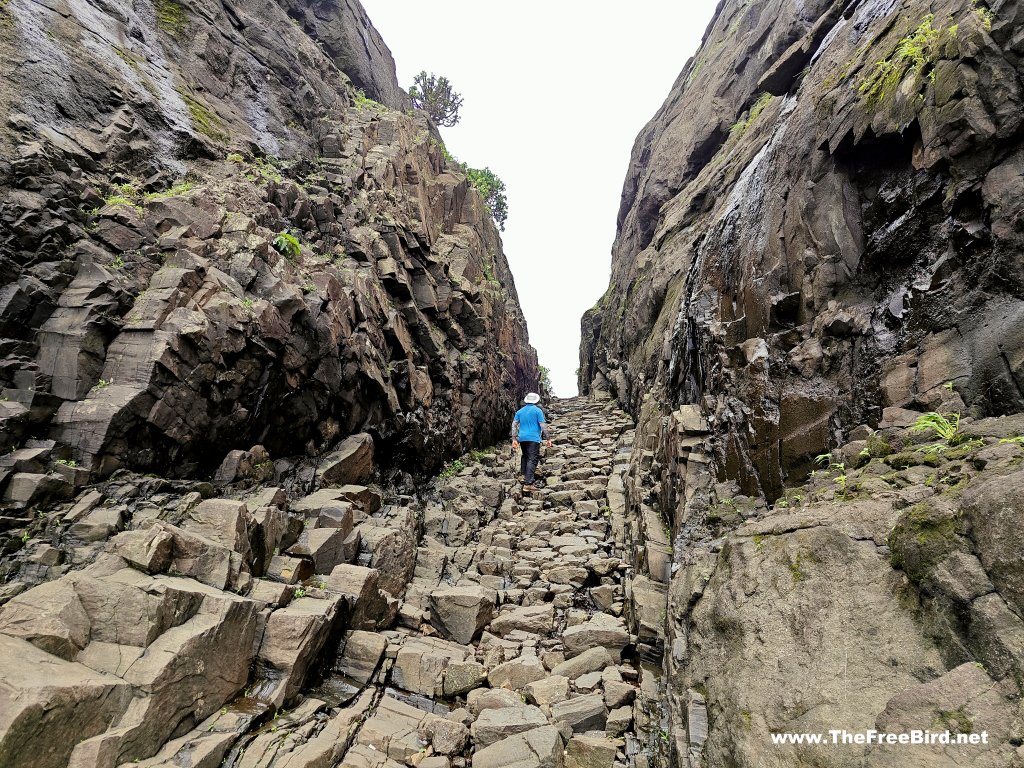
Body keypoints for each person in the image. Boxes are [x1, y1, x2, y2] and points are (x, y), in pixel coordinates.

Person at [511, 392, 552, 491]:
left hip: (522, 438)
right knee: (532, 459)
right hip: (533, 438)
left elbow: (514, 426)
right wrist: (548, 438)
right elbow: (543, 426)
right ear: (535, 401)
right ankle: (528, 483)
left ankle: (524, 475)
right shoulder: (537, 411)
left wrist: (514, 439)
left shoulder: (519, 412)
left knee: (525, 456)